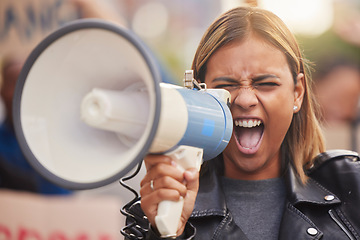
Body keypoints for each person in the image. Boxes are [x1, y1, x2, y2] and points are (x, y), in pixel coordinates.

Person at [123, 6, 360, 240]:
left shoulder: (350, 183)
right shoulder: (151, 212)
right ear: (197, 93)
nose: (245, 100)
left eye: (266, 83)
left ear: (297, 93)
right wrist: (166, 234)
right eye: (225, 86)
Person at [0, 54, 71, 194]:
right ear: (2, 91)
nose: (20, 91)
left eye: (26, 83)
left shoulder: (54, 139)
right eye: (14, 83)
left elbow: (62, 195)